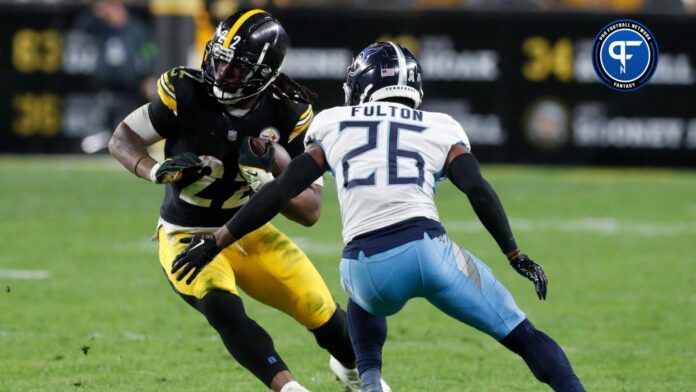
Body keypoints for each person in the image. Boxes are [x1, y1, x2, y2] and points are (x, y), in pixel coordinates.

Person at [170, 42, 587, 391]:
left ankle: (370, 382)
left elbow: (281, 191)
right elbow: (476, 188)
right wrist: (514, 254)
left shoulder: (334, 122)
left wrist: (218, 238)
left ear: (361, 84)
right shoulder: (439, 126)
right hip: (428, 251)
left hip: (364, 268)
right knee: (524, 336)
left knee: (362, 298)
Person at [108, 9, 390, 392]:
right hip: (185, 236)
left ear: (263, 73)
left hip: (250, 231)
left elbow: (310, 211)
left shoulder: (288, 111)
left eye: (234, 70)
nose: (221, 75)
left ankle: (354, 372)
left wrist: (266, 182)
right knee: (223, 308)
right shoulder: (187, 92)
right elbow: (122, 137)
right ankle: (290, 389)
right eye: (218, 62)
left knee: (320, 310)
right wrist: (151, 169)